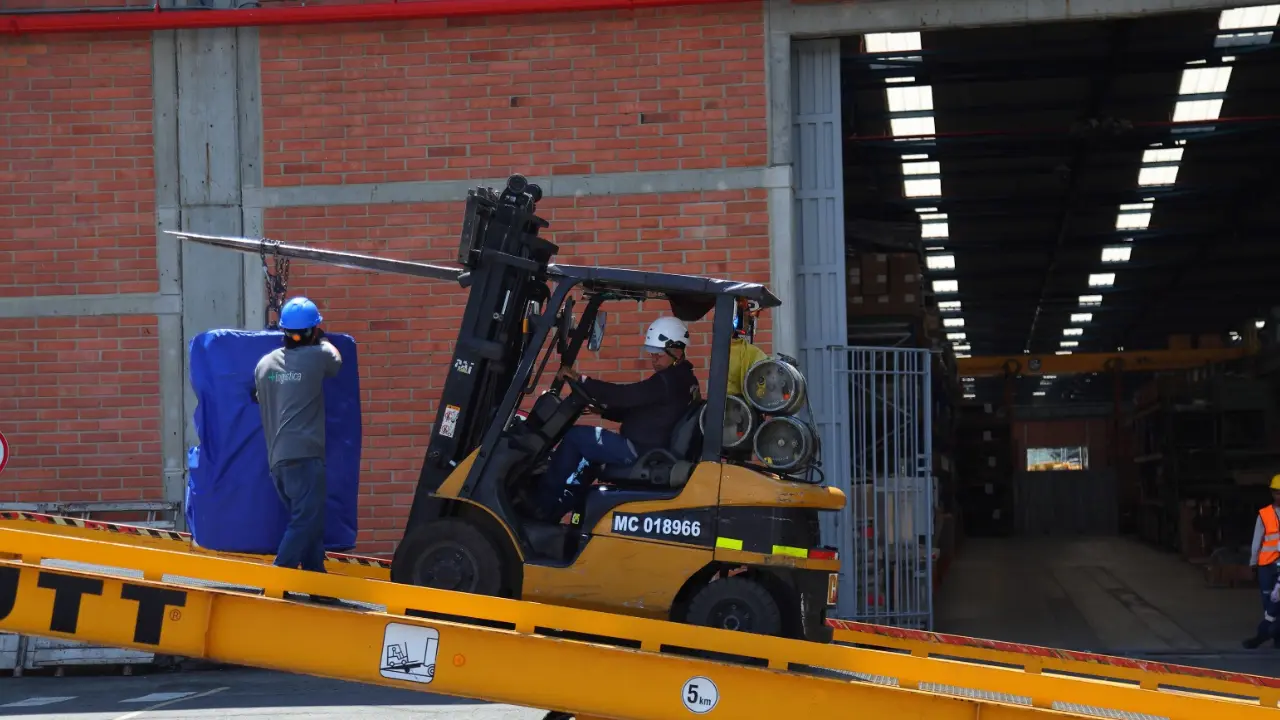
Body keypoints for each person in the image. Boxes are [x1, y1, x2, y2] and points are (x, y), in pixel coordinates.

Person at [533, 316, 700, 521]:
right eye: (651, 353)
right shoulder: (682, 379)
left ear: (677, 350)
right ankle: (553, 513)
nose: (653, 358)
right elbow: (643, 409)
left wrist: (581, 380)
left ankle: (541, 503)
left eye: (658, 353)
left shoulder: (667, 380)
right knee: (587, 461)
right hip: (647, 447)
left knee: (576, 437)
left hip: (640, 450)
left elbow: (624, 396)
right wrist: (603, 412)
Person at [253, 296, 343, 583]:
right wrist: (324, 339)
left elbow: (260, 395)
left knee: (310, 521)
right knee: (305, 521)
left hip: (277, 460)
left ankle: (317, 581)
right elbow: (336, 360)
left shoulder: (264, 365)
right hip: (305, 456)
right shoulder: (318, 356)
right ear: (313, 331)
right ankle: (279, 579)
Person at [1243, 474, 1280, 649]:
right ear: (1272, 493)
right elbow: (1257, 540)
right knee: (1269, 600)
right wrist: (1253, 563)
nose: (1279, 496)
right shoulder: (1265, 514)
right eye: (1277, 492)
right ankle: (1274, 634)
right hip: (1267, 565)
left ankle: (1268, 633)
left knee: (1276, 602)